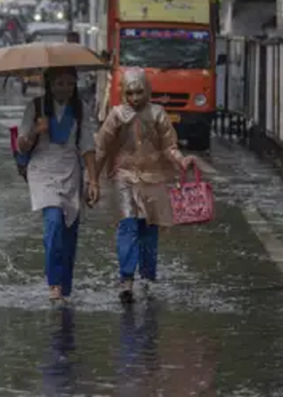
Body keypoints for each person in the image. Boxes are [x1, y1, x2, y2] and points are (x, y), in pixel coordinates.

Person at [94, 68, 195, 303]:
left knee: (150, 230)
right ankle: (127, 279)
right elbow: (101, 147)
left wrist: (182, 160)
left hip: (153, 177)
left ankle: (148, 278)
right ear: (123, 93)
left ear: (147, 90)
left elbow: (169, 145)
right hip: (124, 177)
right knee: (128, 225)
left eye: (139, 92)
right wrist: (92, 179)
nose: (135, 98)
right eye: (130, 93)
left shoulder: (158, 114)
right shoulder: (117, 115)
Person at [16, 67, 98, 302]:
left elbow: (87, 147)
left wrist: (93, 180)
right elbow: (22, 146)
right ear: (49, 84)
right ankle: (54, 284)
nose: (64, 88)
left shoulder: (80, 109)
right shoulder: (36, 107)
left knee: (70, 229)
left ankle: (66, 287)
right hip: (42, 171)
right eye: (59, 83)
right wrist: (35, 130)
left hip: (71, 170)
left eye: (69, 84)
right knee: (53, 224)